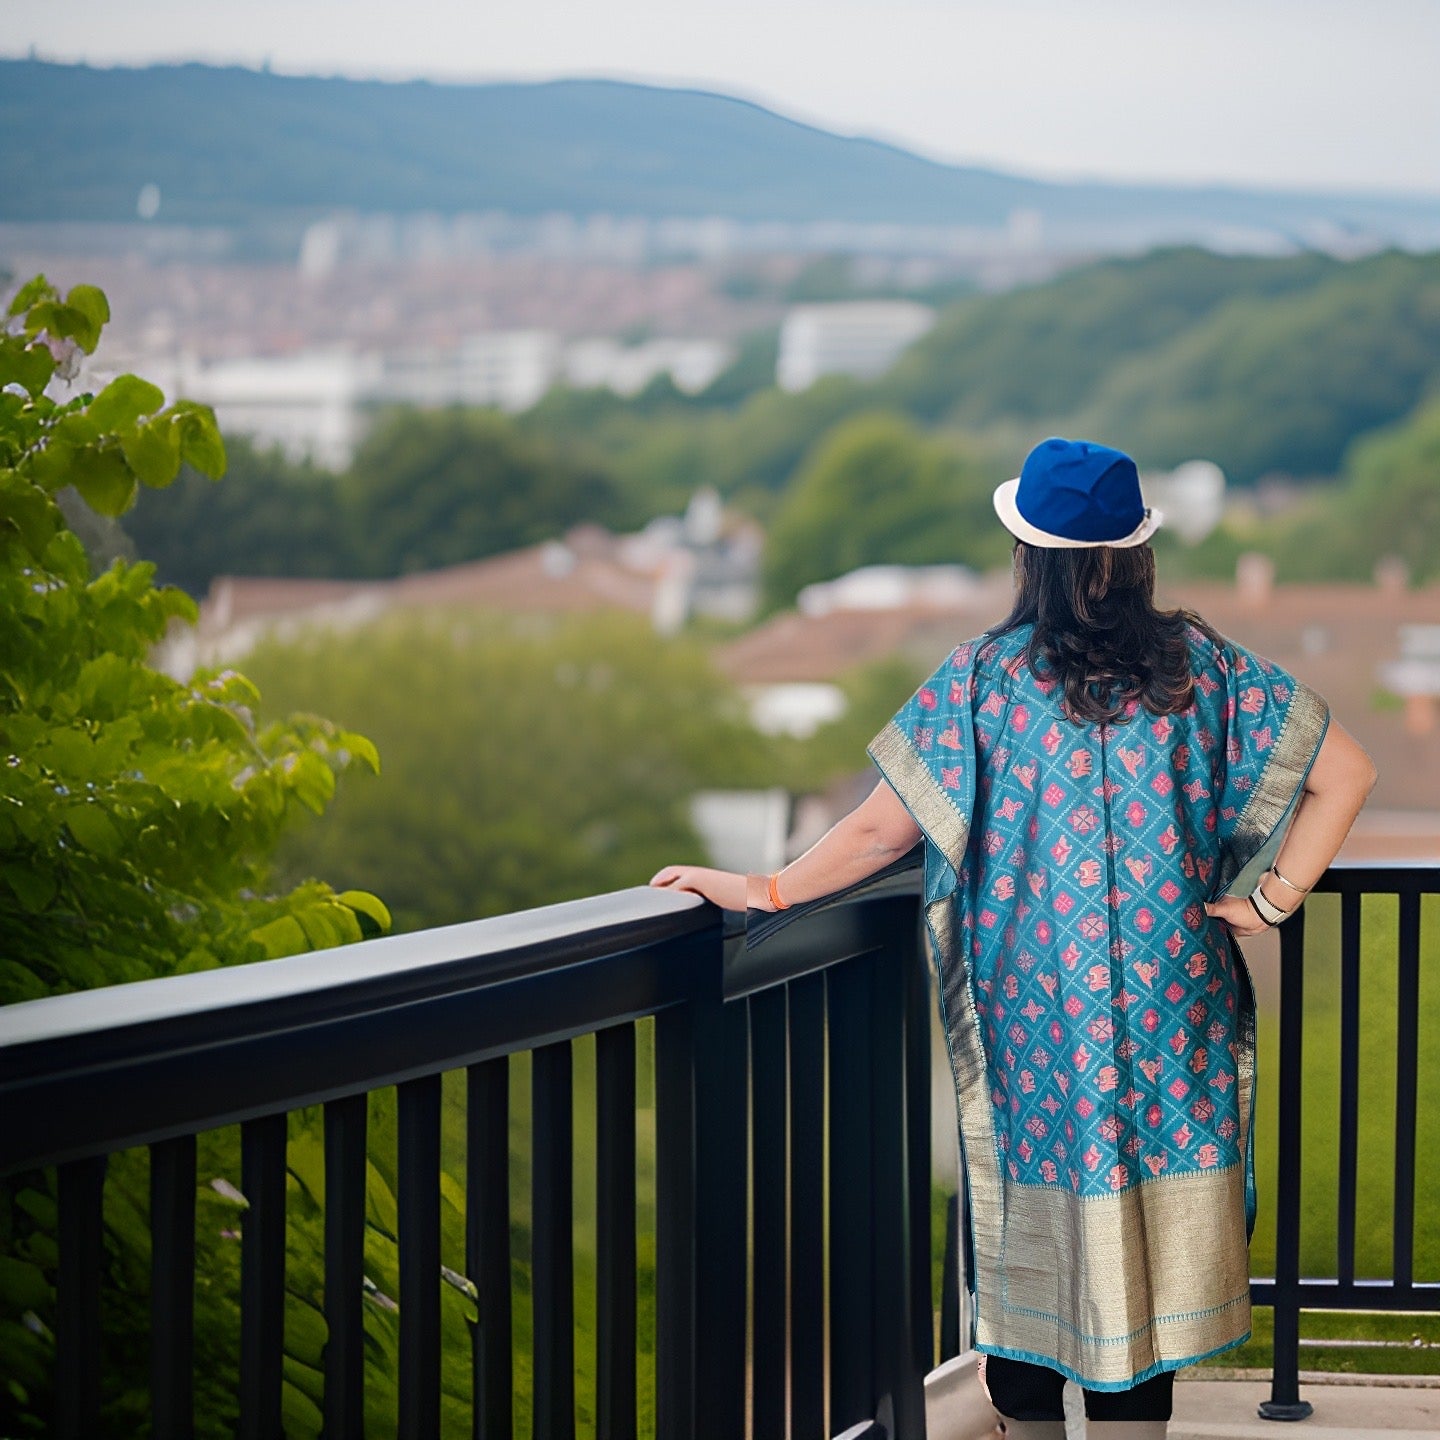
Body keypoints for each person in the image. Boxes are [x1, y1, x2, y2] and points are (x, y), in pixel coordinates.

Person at [650, 437, 1377, 1438]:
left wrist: (763, 888)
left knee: (1030, 1255)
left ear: (1027, 555)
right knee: (1142, 1274)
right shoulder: (1202, 668)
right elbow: (1346, 772)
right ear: (1136, 553)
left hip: (1038, 1023)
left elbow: (878, 829)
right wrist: (1272, 900)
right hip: (1177, 1010)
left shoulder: (985, 679)